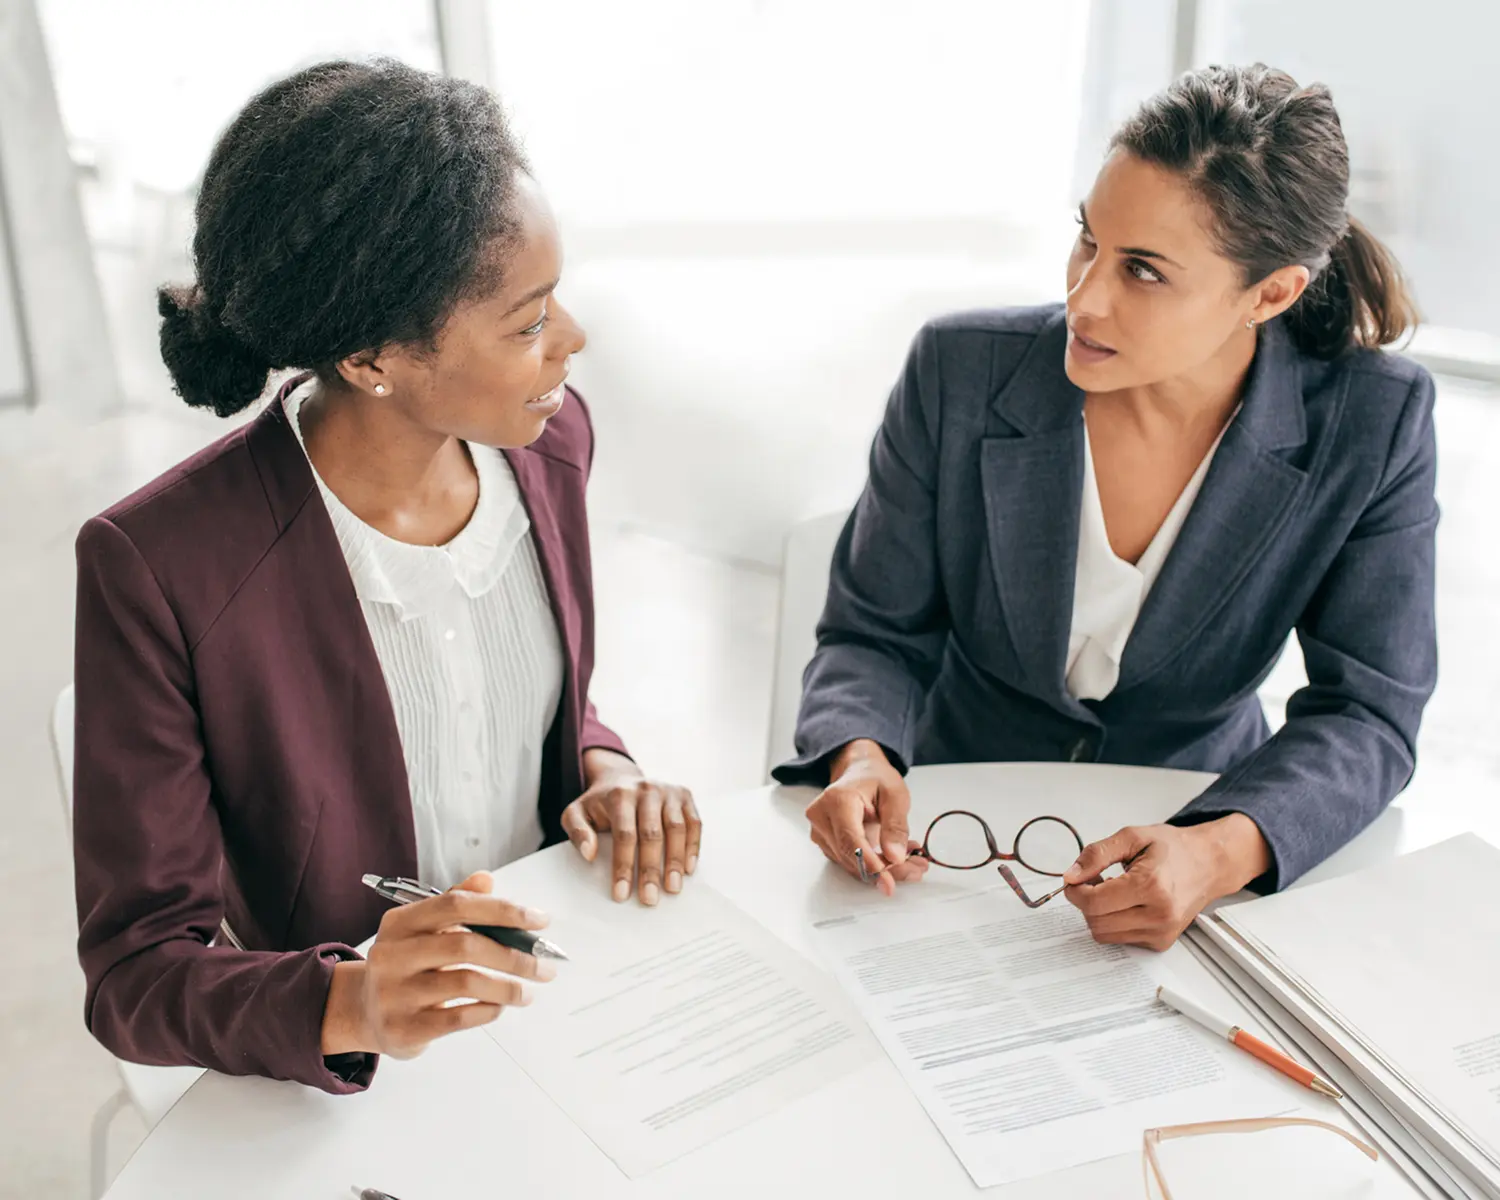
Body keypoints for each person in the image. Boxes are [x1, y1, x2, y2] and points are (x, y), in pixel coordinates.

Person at [72, 59, 701, 1094]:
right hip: (349, 1082)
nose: (573, 342)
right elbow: (134, 974)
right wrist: (351, 1002)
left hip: (558, 1007)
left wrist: (606, 767)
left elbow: (536, 698)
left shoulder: (553, 445)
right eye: (529, 321)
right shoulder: (160, 565)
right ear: (372, 359)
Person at [780, 64, 1436, 950]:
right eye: (1087, 240)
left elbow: (1369, 714)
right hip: (949, 838)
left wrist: (1219, 851)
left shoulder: (1373, 422)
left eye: (1143, 271)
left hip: (1192, 831)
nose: (1084, 298)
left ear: (1271, 293)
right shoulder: (959, 370)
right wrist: (862, 754)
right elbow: (873, 634)